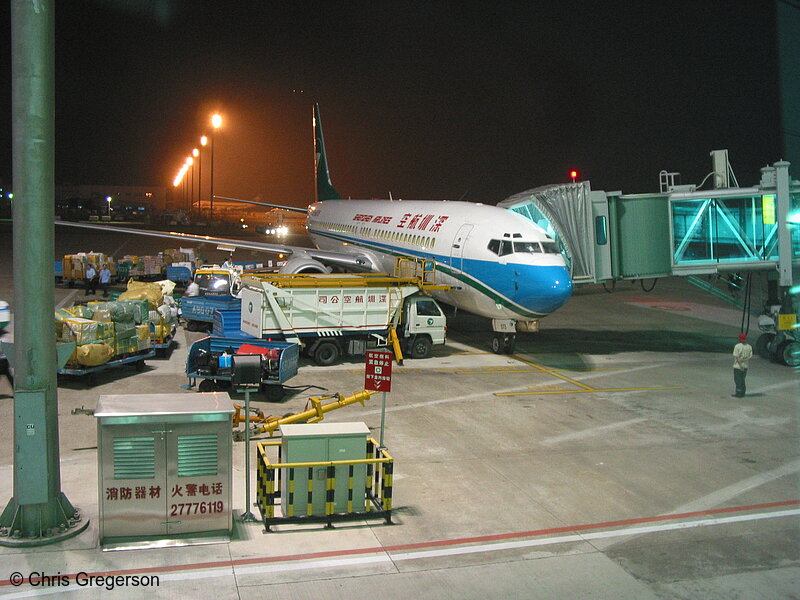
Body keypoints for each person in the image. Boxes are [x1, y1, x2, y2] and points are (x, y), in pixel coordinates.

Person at [732, 333, 753, 397]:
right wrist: (744, 360)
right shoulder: (749, 347)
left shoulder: (737, 346)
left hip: (738, 366)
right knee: (742, 379)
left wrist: (740, 365)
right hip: (745, 366)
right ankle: (743, 392)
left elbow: (737, 357)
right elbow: (750, 356)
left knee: (738, 380)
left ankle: (738, 393)